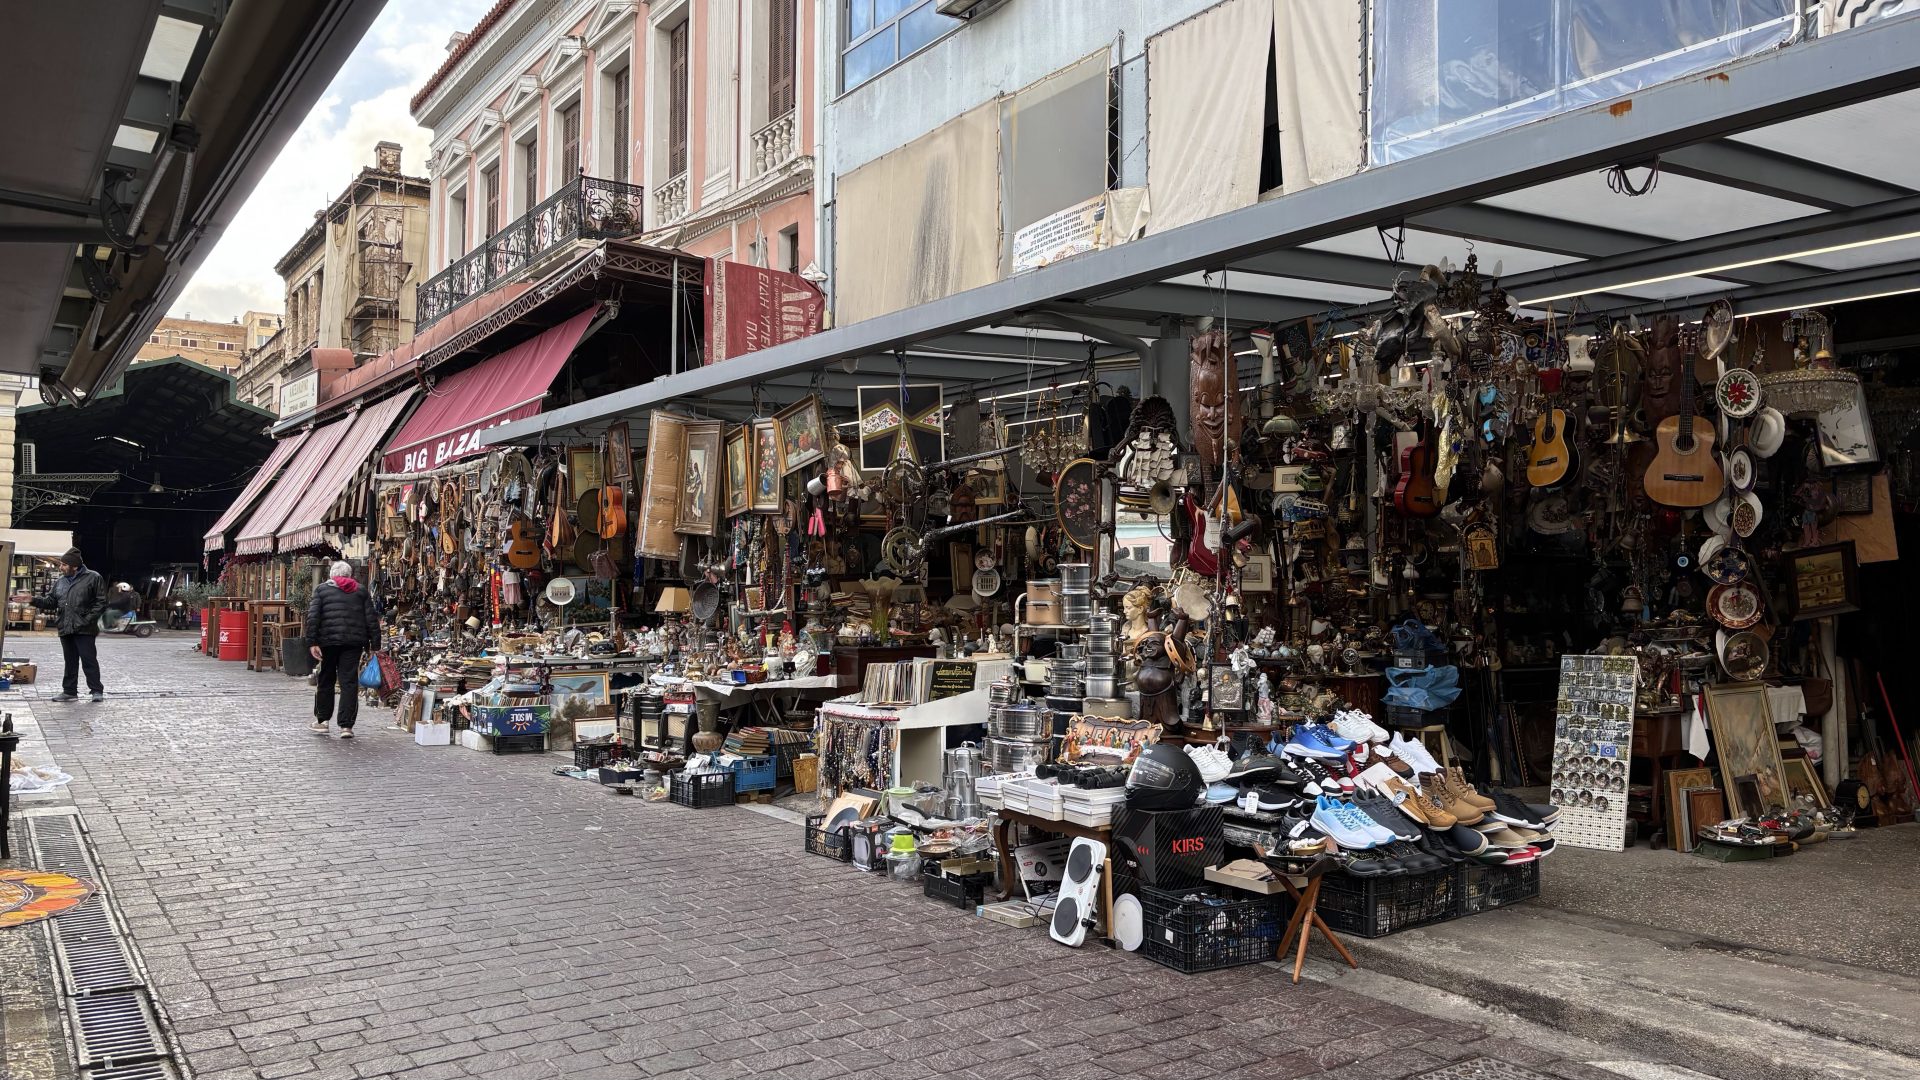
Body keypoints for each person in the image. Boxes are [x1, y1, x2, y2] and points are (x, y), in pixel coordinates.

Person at [306, 560, 379, 738]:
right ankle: (346, 727)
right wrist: (375, 645)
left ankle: (322, 721)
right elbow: (371, 619)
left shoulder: (322, 590)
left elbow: (313, 617)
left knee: (326, 680)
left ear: (332, 575)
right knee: (349, 682)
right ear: (349, 575)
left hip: (328, 643)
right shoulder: (360, 591)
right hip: (353, 643)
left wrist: (312, 642)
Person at [34, 548, 106, 702]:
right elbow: (51, 601)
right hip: (65, 627)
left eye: (64, 565)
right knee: (70, 661)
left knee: (88, 660)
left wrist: (86, 620)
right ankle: (69, 691)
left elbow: (101, 603)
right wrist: (32, 599)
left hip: (85, 629)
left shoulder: (93, 577)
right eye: (61, 564)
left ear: (75, 566)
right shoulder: (60, 582)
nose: (61, 567)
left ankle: (96, 691)